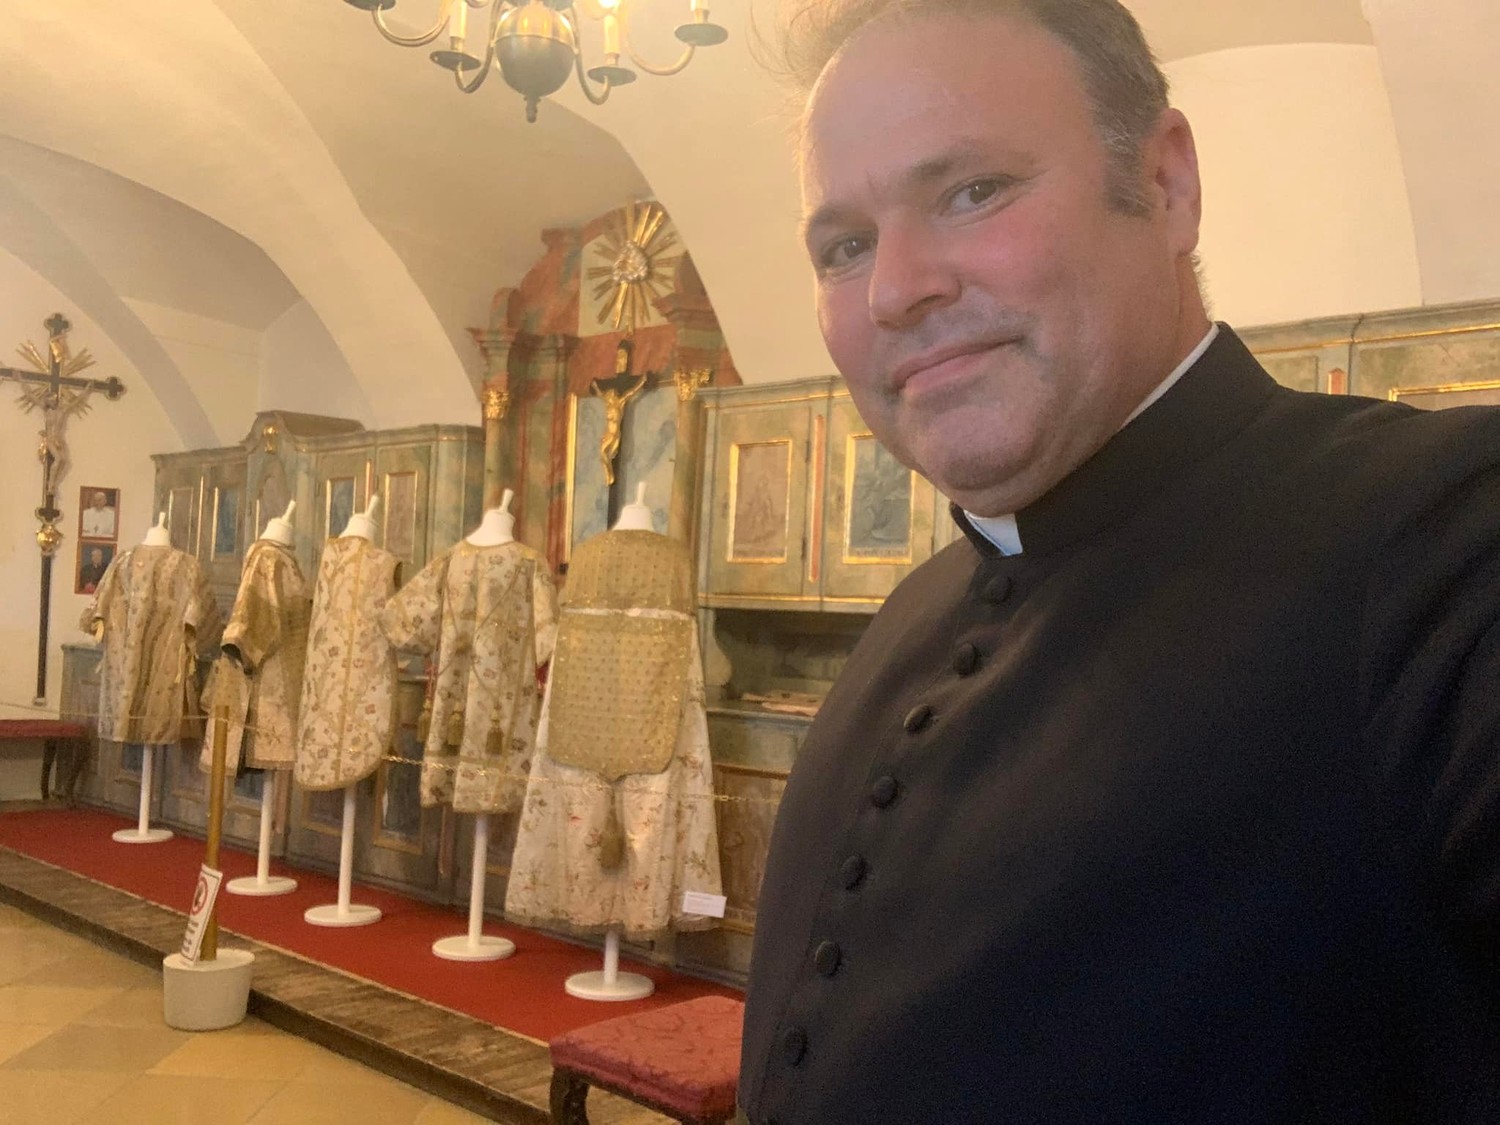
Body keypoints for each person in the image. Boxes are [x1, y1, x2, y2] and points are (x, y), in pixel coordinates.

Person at [739, 2, 1500, 1123]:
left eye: (972, 191)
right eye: (843, 247)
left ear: (1167, 184)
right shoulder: (913, 611)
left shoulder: (1448, 539)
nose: (894, 290)